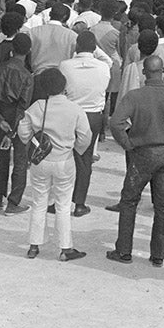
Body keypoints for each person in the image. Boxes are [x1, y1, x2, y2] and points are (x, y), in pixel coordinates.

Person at [106, 55, 164, 266]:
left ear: (144, 73)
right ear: (163, 73)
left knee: (129, 200)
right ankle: (158, 255)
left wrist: (127, 143)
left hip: (141, 154)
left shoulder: (134, 96)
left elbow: (116, 123)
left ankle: (124, 250)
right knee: (163, 206)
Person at [15, 68, 91, 261]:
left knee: (39, 202)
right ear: (63, 85)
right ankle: (65, 249)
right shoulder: (74, 109)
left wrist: (30, 140)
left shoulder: (37, 106)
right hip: (64, 161)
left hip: (41, 161)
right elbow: (85, 136)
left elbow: (23, 131)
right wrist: (76, 148)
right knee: (63, 205)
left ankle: (34, 246)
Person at [60, 31, 111, 217]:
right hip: (92, 116)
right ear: (95, 48)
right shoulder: (103, 67)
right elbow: (110, 62)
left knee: (63, 157)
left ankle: (59, 201)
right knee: (85, 159)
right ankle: (79, 203)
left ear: (77, 46)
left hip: (69, 114)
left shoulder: (65, 65)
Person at [0, 32, 35, 213]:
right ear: (28, 51)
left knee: (2, 157)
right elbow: (23, 105)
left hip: (1, 117)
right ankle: (13, 202)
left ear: (12, 49)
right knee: (20, 160)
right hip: (18, 120)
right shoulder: (27, 76)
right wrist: (12, 128)